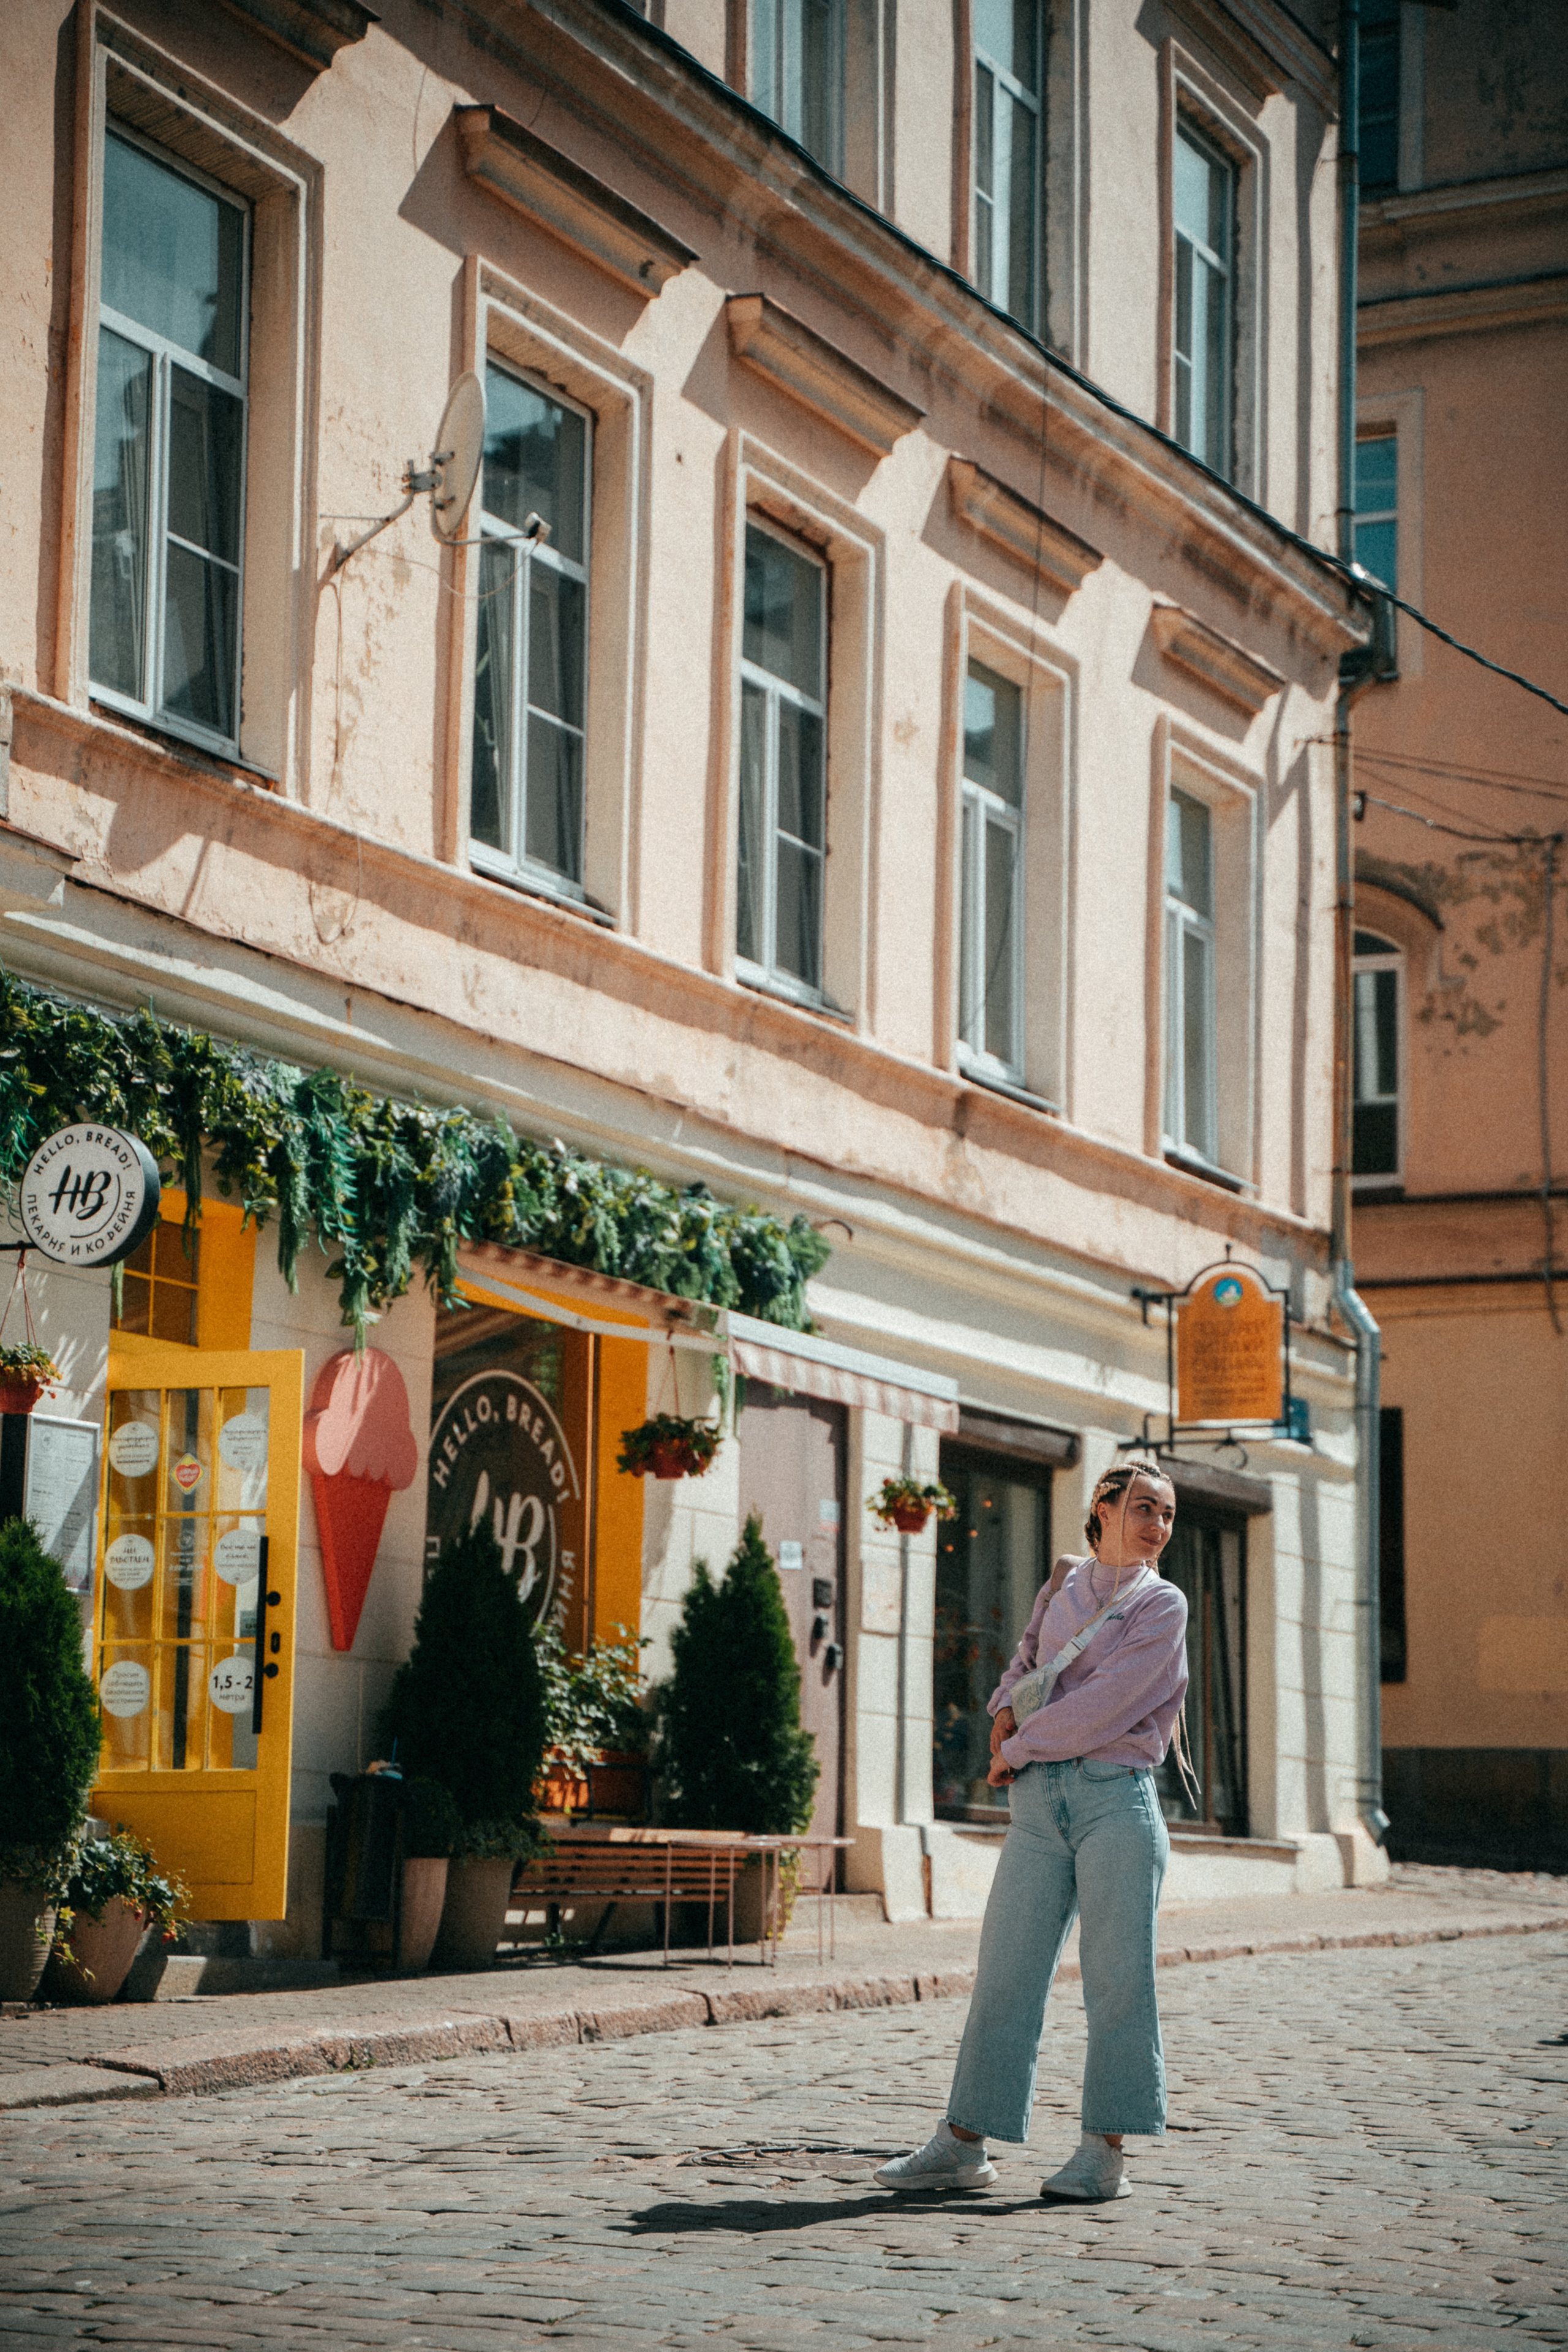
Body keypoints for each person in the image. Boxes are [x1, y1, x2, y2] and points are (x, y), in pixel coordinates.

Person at [875, 1458, 1188, 2204]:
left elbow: (1108, 1706)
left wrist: (1013, 1748)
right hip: (1038, 1807)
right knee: (1006, 1974)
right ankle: (961, 2146)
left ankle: (1101, 2152)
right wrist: (1000, 1712)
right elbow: (1024, 1661)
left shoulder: (1162, 1604)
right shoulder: (1064, 1583)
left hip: (1116, 1799)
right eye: (1144, 1508)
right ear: (1103, 1508)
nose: (1158, 1526)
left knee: (1116, 1981)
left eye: (1168, 1515)